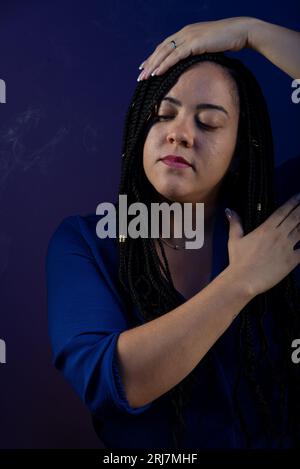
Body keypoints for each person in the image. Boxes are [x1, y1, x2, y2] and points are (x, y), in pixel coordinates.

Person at [46, 17, 300, 449]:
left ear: (240, 150)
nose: (180, 134)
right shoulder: (86, 244)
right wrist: (241, 281)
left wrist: (250, 33)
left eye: (209, 123)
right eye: (163, 115)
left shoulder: (279, 216)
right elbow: (114, 382)